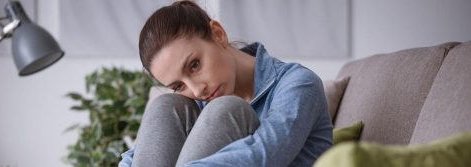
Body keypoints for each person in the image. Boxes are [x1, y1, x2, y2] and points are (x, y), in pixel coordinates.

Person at [119, 1, 332, 167]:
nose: (196, 89)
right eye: (179, 85)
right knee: (166, 106)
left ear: (218, 34)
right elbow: (135, 156)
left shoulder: (299, 83)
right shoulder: (202, 99)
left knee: (227, 109)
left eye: (194, 65)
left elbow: (265, 154)